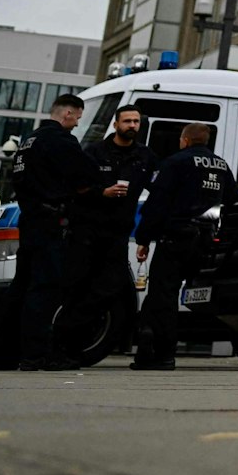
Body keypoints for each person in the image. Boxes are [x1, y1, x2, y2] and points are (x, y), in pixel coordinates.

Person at [0, 93, 112, 371]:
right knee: (44, 288)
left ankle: (1, 354)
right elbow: (87, 172)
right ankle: (34, 355)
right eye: (77, 117)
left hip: (30, 219)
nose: (77, 124)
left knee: (19, 287)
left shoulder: (28, 141)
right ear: (67, 113)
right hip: (51, 220)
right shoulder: (60, 140)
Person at [130, 123, 238, 370]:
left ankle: (164, 354)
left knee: (163, 295)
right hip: (205, 241)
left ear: (186, 140)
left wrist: (144, 239)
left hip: (176, 238)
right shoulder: (221, 165)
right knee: (162, 295)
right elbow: (233, 199)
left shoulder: (176, 162)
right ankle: (147, 351)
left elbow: (157, 203)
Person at [62, 104, 157, 357]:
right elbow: (75, 187)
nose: (132, 126)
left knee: (110, 286)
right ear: (116, 125)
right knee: (78, 285)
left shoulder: (145, 156)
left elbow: (158, 189)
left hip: (118, 234)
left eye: (136, 122)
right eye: (127, 121)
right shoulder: (95, 152)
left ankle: (77, 336)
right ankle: (64, 345)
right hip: (88, 231)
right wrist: (102, 193)